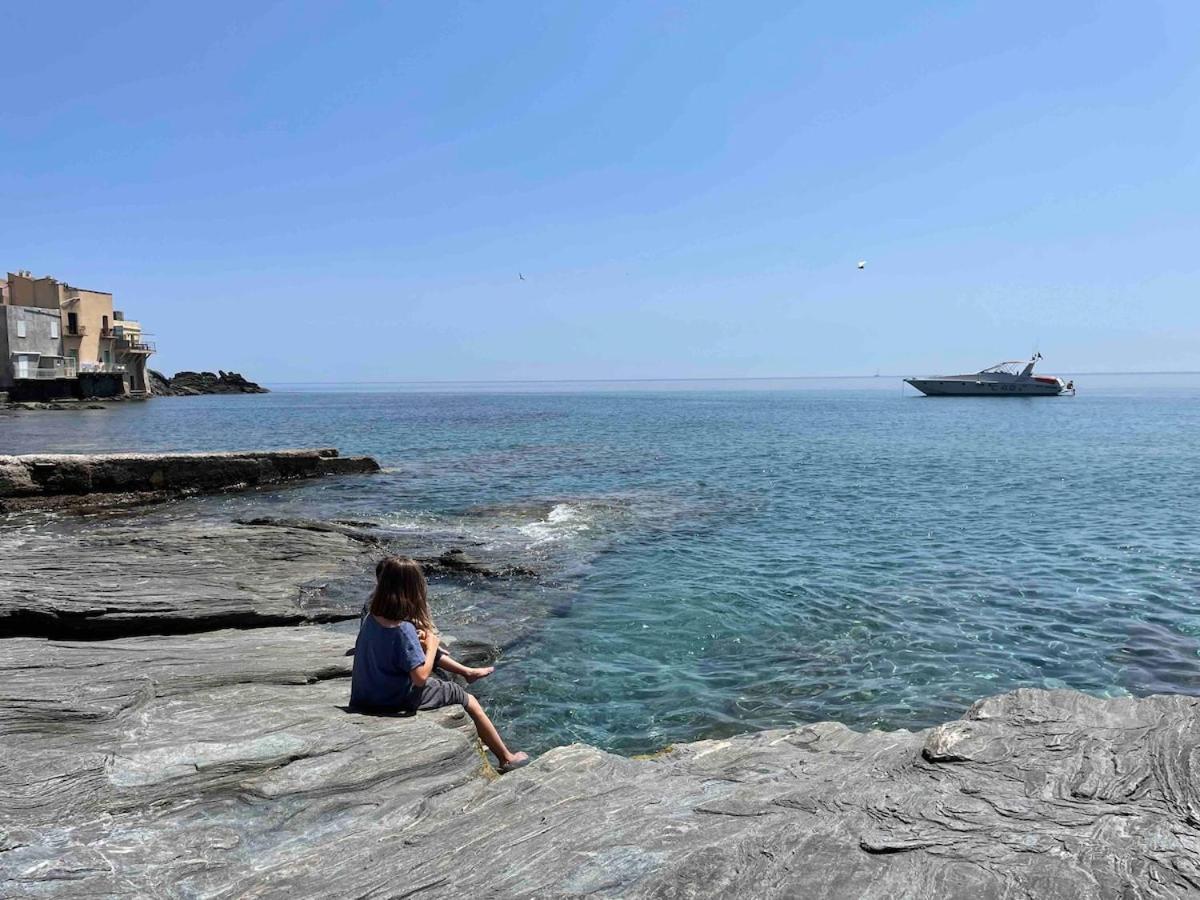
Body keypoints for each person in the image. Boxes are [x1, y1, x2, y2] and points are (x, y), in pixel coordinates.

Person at [350, 556, 530, 773]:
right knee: (467, 698)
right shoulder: (403, 629)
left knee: (425, 654)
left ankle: (470, 683)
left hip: (364, 696)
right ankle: (506, 758)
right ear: (412, 589)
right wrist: (433, 645)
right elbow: (420, 678)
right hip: (392, 700)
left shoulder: (371, 618)